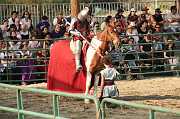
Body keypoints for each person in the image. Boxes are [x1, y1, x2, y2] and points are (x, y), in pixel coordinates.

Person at [69, 7, 91, 71]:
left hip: (86, 37)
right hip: (77, 37)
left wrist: (90, 33)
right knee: (78, 46)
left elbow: (88, 30)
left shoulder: (86, 21)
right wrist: (76, 33)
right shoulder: (74, 20)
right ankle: (78, 64)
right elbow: (70, 30)